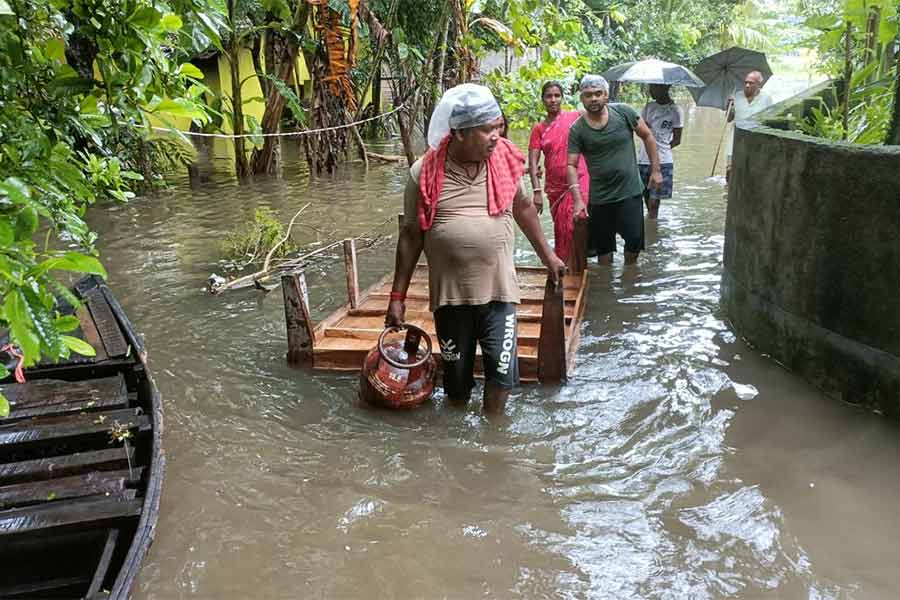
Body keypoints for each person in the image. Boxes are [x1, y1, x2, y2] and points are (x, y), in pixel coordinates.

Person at [386, 84, 566, 414]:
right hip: (451, 298)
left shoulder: (506, 162)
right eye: (486, 130)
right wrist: (397, 298)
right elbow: (411, 236)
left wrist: (549, 257)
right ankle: (458, 443)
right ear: (459, 133)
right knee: (456, 384)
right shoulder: (424, 172)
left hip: (500, 292)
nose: (496, 136)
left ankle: (494, 435)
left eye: (498, 127)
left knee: (501, 375)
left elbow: (524, 209)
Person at [566, 75, 663, 266]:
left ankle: (629, 279)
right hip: (601, 198)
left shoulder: (624, 112)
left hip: (630, 192)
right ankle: (606, 288)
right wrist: (577, 200)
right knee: (604, 249)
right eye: (588, 95)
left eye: (598, 94)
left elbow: (648, 136)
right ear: (581, 98)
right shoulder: (577, 129)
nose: (593, 99)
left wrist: (656, 170)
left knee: (634, 243)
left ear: (606, 96)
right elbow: (571, 165)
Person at [528, 81, 590, 261]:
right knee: (562, 229)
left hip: (579, 180)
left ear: (562, 98)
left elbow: (598, 124)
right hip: (555, 188)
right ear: (543, 100)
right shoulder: (538, 129)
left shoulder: (576, 117)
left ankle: (580, 265)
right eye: (549, 96)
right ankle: (566, 264)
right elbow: (533, 163)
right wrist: (536, 191)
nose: (553, 100)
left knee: (577, 221)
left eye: (557, 95)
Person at [637, 84, 683, 219]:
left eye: (654, 87)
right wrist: (645, 127)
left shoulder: (675, 110)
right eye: (650, 87)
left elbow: (677, 140)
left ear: (665, 88)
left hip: (663, 160)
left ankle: (652, 228)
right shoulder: (648, 107)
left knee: (655, 201)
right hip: (643, 159)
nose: (650, 90)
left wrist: (660, 149)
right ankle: (651, 227)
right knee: (645, 197)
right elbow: (640, 131)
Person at [725, 70, 773, 182]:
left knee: (750, 171)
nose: (747, 85)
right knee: (730, 170)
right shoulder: (737, 96)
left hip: (756, 139)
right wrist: (729, 105)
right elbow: (728, 119)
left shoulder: (766, 98)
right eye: (746, 82)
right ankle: (728, 193)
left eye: (751, 83)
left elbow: (770, 120)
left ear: (758, 84)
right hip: (735, 138)